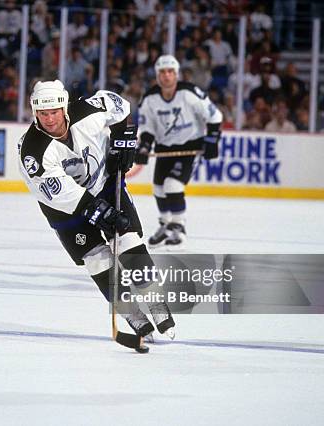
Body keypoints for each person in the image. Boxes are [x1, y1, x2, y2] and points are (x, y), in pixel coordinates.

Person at [18, 80, 176, 343]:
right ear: (35, 112)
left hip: (104, 184)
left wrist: (122, 137)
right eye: (42, 114)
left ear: (64, 107)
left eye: (54, 111)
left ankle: (157, 306)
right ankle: (133, 315)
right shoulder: (33, 150)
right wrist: (97, 211)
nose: (49, 119)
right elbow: (61, 193)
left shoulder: (88, 111)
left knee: (128, 242)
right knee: (97, 259)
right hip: (65, 210)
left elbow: (118, 105)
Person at [135, 55, 222, 249]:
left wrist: (212, 141)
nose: (166, 76)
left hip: (190, 146)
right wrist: (144, 147)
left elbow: (215, 116)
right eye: (162, 72)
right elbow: (148, 128)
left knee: (172, 185)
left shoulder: (190, 93)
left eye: (170, 72)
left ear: (176, 74)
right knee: (158, 189)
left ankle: (179, 227)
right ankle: (166, 225)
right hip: (165, 147)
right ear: (157, 76)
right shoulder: (149, 99)